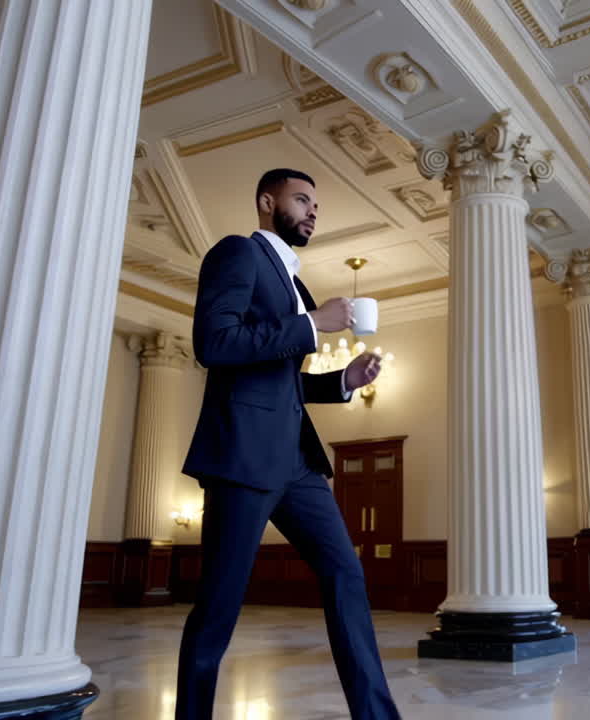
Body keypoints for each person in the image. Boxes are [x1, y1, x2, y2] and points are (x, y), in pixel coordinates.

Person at [176, 168, 401, 720]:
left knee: (345, 572)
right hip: (243, 459)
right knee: (219, 605)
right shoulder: (237, 254)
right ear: (266, 201)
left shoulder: (296, 283)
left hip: (298, 462)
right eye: (302, 199)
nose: (312, 210)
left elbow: (281, 382)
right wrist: (312, 325)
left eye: (316, 204)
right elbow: (214, 343)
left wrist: (341, 382)